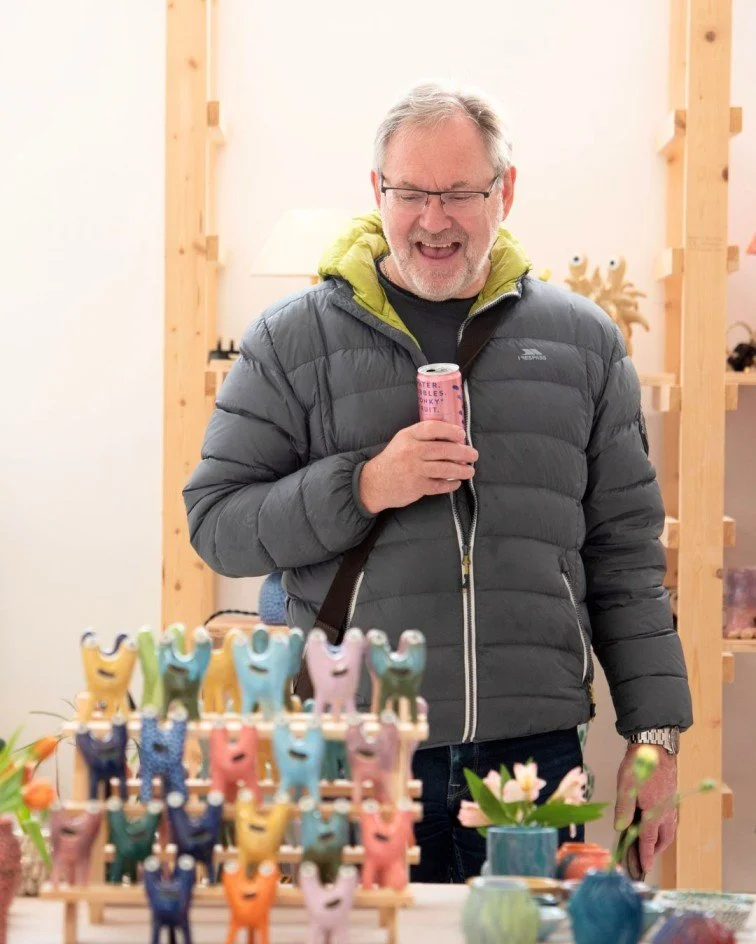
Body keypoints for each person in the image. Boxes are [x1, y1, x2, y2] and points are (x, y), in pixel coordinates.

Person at [184, 80, 693, 883]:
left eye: (460, 193)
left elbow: (626, 556)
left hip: (533, 763)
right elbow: (216, 522)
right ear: (377, 193)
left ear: (505, 192)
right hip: (359, 756)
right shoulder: (291, 341)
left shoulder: (582, 343)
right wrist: (362, 486)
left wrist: (656, 736)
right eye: (411, 193)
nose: (433, 219)